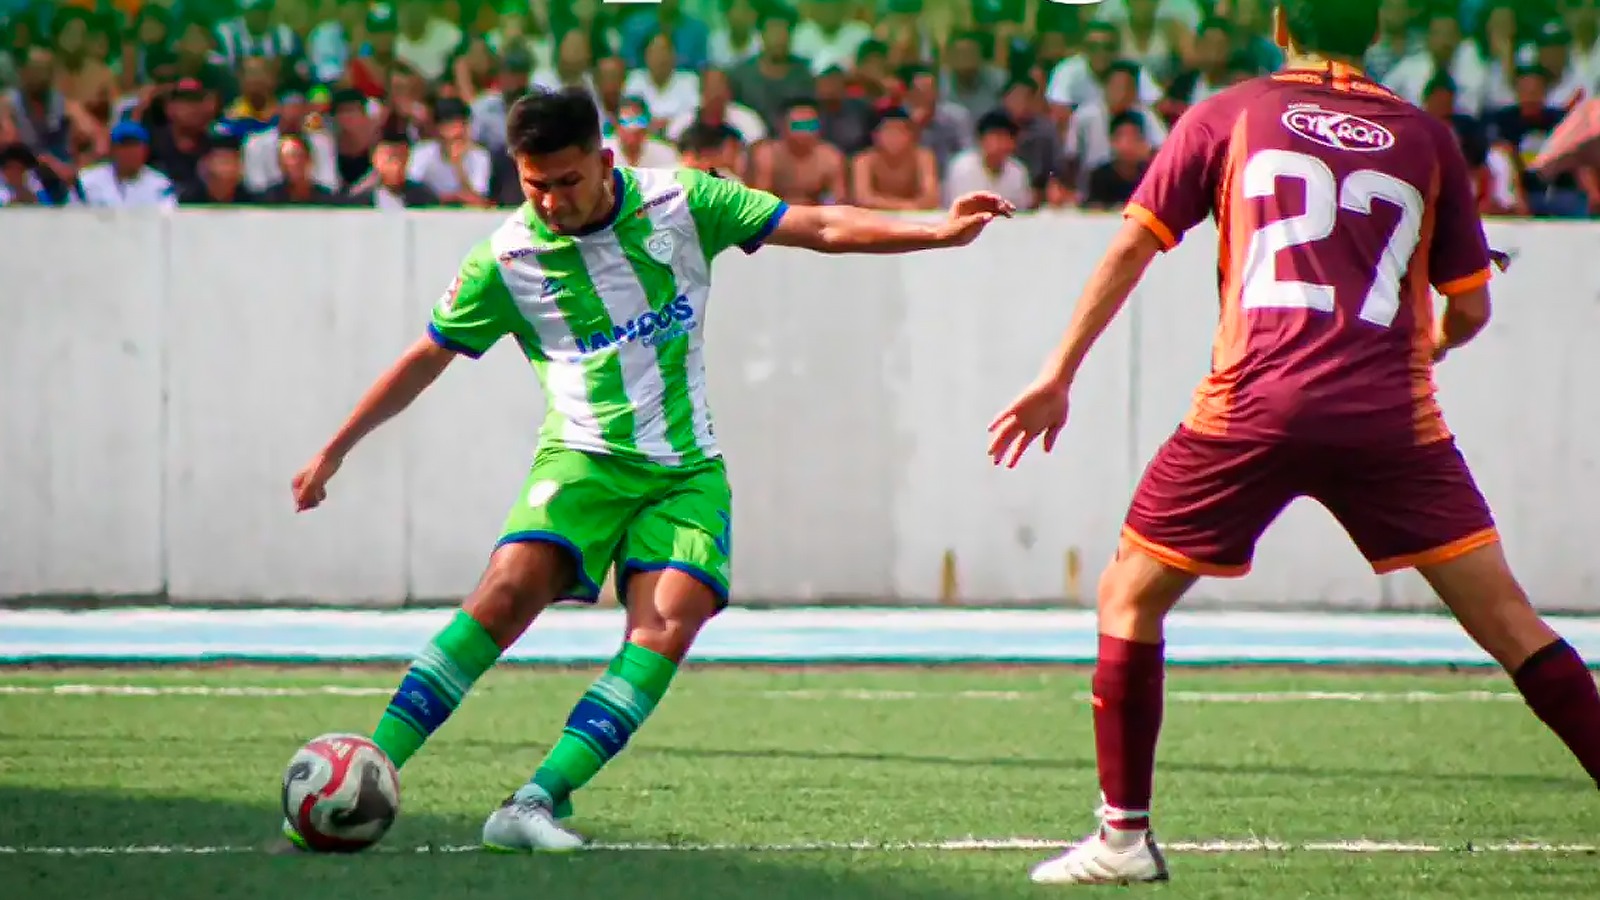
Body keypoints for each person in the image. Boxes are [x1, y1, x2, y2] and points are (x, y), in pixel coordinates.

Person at [284, 86, 1012, 854]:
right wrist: (336, 448)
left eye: (567, 182)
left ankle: (533, 803)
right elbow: (427, 355)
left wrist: (936, 230)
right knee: (505, 593)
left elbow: (820, 222)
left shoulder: (683, 202)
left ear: (604, 160)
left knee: (667, 625)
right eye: (536, 185)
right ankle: (367, 767)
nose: (553, 201)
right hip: (582, 459)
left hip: (685, 470)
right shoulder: (507, 258)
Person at [986, 0, 1600, 886]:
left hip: (1252, 408)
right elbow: (1471, 307)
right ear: (1374, 33)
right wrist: (1422, 346)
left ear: (1280, 23)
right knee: (1510, 622)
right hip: (1392, 422)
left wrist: (1057, 372)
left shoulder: (1227, 115)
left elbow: (1133, 246)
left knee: (1129, 597)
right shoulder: (1427, 140)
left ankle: (1123, 839)